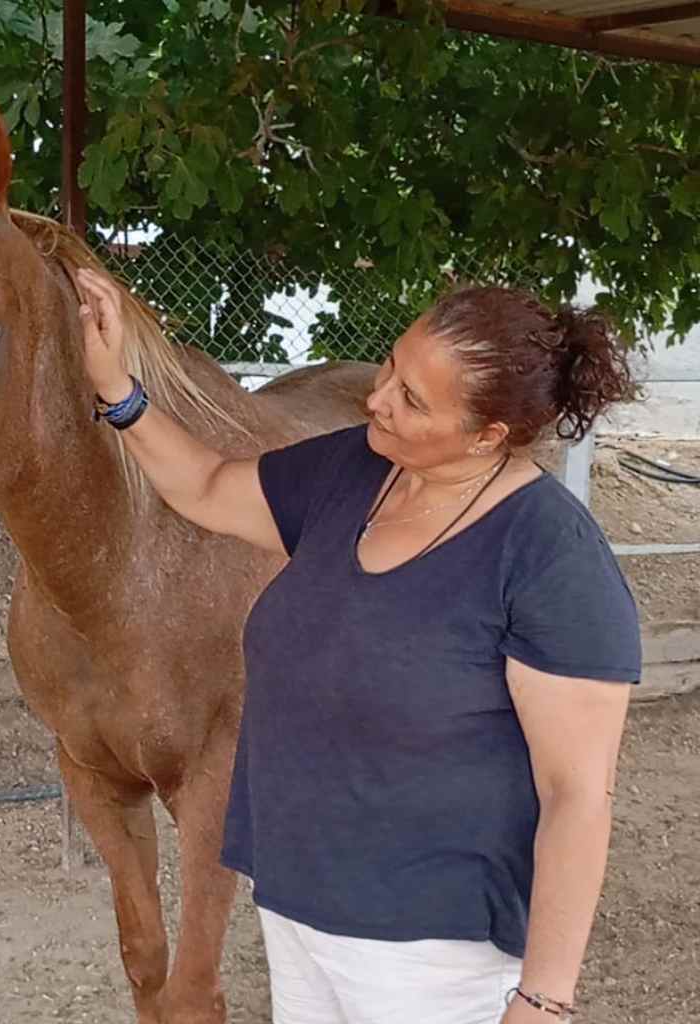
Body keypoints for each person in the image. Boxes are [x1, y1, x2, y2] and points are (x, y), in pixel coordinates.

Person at [75, 266, 641, 1024]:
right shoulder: (356, 470)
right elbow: (207, 485)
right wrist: (118, 388)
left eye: (412, 399)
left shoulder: (549, 557)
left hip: (434, 951)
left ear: (489, 435)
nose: (377, 398)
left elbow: (578, 796)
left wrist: (543, 998)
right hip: (298, 911)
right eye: (391, 368)